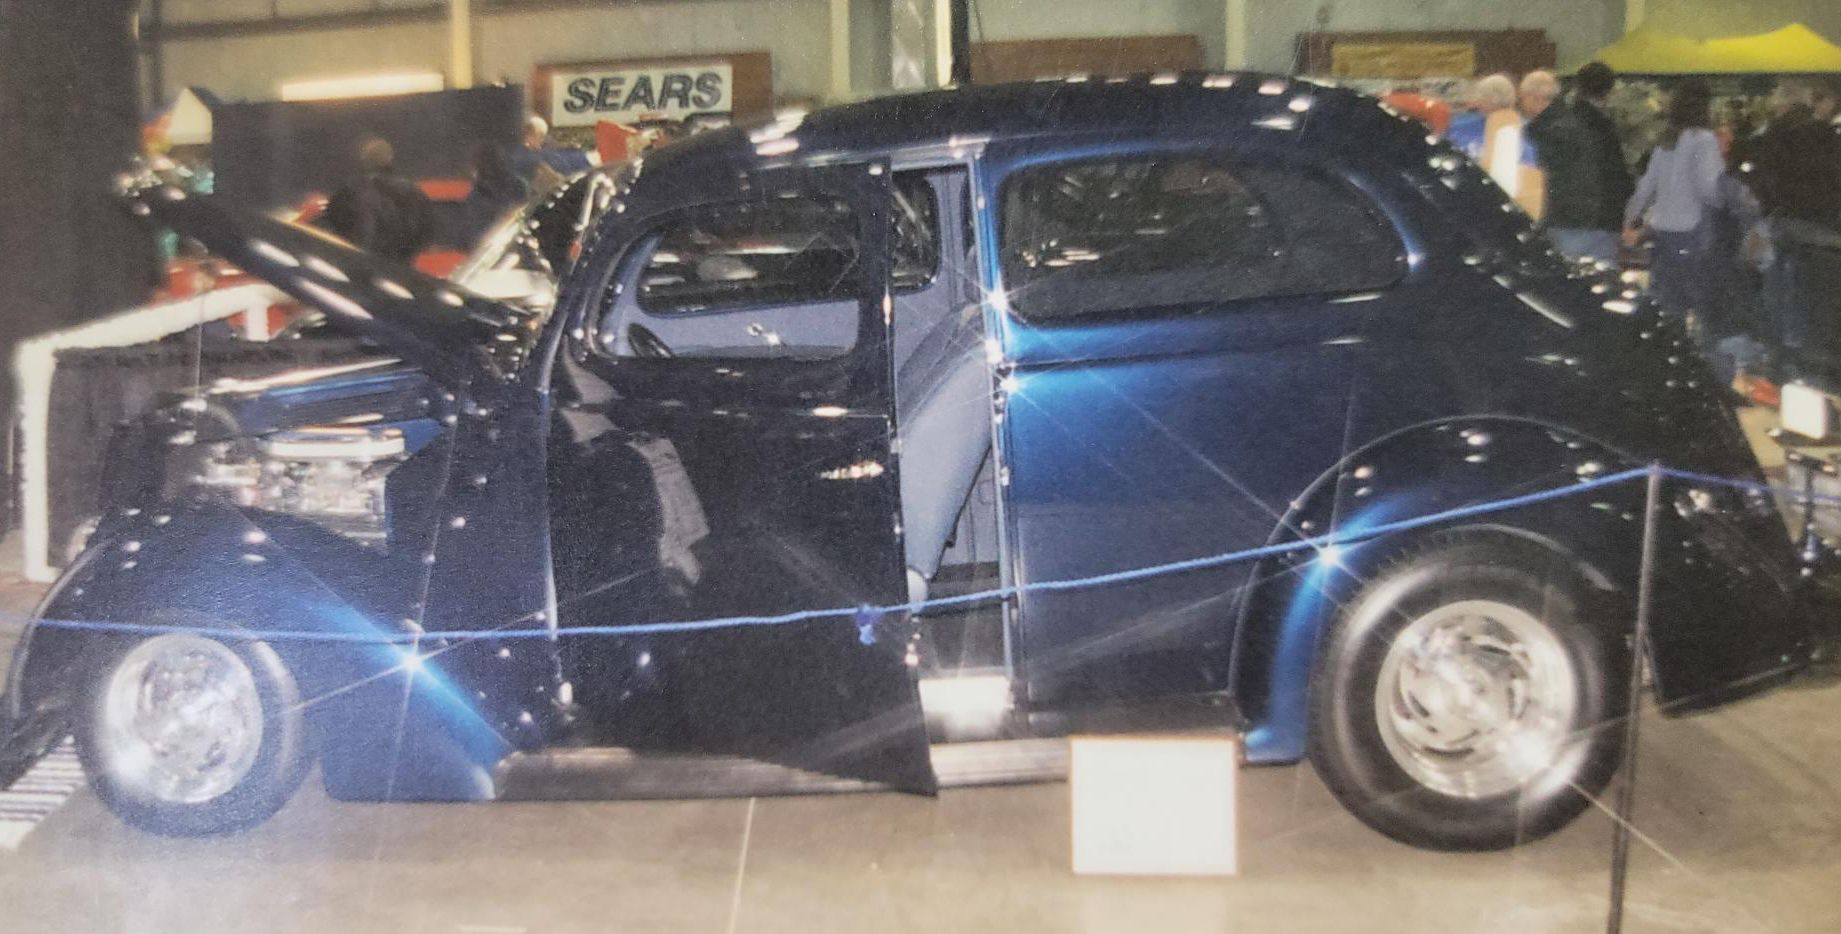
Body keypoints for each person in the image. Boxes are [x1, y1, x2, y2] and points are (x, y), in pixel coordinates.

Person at [1624, 80, 1724, 328]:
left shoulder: (1666, 140)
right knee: (1701, 302)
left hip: (1663, 232)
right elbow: (1708, 188)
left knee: (1667, 304)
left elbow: (1646, 187)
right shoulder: (1704, 140)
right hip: (1693, 231)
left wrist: (1630, 219)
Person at [1522, 68, 1629, 264]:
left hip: (1567, 221)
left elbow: (1544, 180)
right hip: (1599, 219)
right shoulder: (1580, 124)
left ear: (1535, 98)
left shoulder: (1546, 132)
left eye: (1524, 98)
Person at [320, 137, 435, 264]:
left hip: (359, 263)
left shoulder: (351, 190)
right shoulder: (412, 191)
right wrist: (407, 252)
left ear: (364, 159)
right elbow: (426, 228)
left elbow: (332, 222)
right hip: (399, 265)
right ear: (390, 158)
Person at [1449, 74, 1544, 217]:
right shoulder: (1533, 132)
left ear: (1482, 101)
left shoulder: (1456, 128)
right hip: (1517, 210)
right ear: (1513, 100)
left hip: (1471, 206)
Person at [457, 140, 529, 250]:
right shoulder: (520, 186)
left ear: (477, 167)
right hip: (519, 249)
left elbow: (472, 239)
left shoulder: (476, 197)